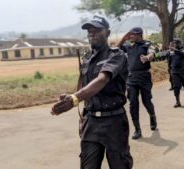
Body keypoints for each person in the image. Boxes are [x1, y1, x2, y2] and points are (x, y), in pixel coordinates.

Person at [51, 16, 133, 169]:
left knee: (120, 165)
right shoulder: (87, 58)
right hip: (92, 122)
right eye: (89, 31)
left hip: (114, 122)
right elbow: (83, 86)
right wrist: (81, 117)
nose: (91, 34)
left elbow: (102, 80)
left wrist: (74, 99)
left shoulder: (116, 55)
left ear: (107, 33)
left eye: (96, 31)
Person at [118, 27, 157, 140]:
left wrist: (147, 58)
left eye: (132, 35)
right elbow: (116, 48)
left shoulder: (147, 44)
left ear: (139, 35)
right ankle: (137, 129)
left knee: (146, 101)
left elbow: (153, 52)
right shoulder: (129, 46)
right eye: (129, 35)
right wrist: (123, 38)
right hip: (131, 78)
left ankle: (152, 116)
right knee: (133, 104)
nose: (130, 36)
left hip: (144, 77)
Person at [168, 38, 184, 108]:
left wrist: (175, 50)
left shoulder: (183, 50)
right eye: (174, 43)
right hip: (175, 72)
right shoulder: (171, 52)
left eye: (176, 43)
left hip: (183, 71)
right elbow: (170, 61)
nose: (175, 44)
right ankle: (178, 102)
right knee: (176, 86)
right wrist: (169, 69)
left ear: (179, 44)